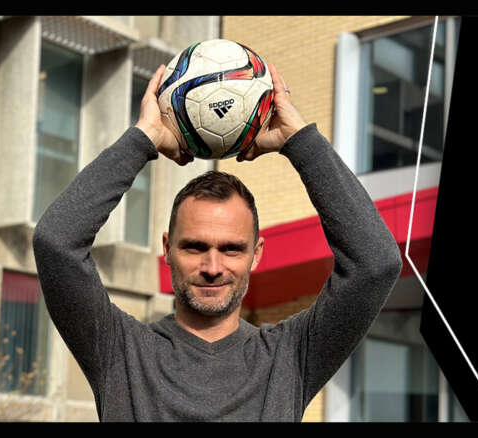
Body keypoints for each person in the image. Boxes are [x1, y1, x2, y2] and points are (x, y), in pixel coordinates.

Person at [32, 62, 402, 422]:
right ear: (167, 249)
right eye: (195, 247)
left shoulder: (291, 356)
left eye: (231, 249)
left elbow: (376, 264)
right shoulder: (119, 352)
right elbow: (57, 241)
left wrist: (300, 141)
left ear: (256, 254)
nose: (212, 268)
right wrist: (142, 139)